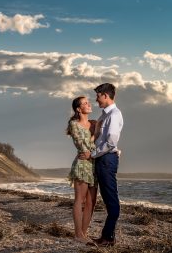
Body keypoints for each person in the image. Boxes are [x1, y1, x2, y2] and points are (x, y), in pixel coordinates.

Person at [79, 83, 123, 247]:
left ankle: (108, 238)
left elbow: (111, 142)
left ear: (105, 95)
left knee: (111, 199)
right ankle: (107, 236)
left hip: (106, 160)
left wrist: (93, 154)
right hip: (103, 159)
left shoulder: (115, 114)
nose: (96, 99)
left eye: (98, 95)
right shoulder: (104, 115)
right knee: (107, 198)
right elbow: (101, 138)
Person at [66, 96, 98, 244]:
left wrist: (93, 146)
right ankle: (77, 234)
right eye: (85, 103)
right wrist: (94, 138)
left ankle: (84, 234)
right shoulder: (74, 124)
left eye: (88, 102)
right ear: (79, 109)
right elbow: (82, 146)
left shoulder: (94, 123)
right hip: (82, 164)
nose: (89, 104)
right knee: (80, 199)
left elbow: (98, 144)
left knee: (92, 202)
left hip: (94, 164)